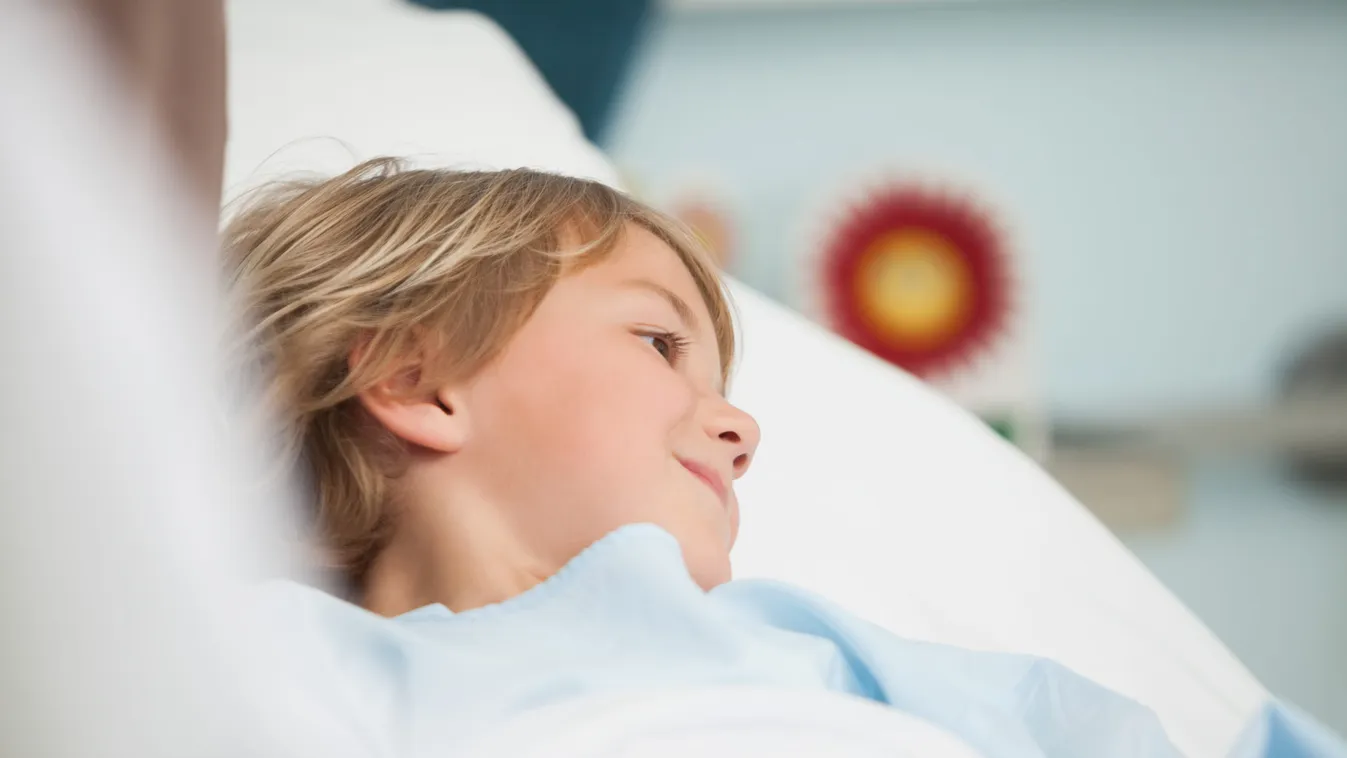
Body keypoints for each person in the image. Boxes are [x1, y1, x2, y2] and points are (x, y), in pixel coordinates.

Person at [224, 159, 1190, 758]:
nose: (740, 428)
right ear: (415, 382)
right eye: (657, 344)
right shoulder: (282, 657)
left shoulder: (804, 642)